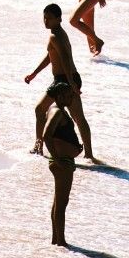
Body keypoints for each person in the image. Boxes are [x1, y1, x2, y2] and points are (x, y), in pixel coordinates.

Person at [25, 3, 96, 160]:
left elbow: (64, 58)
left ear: (59, 19)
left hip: (65, 80)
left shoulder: (54, 35)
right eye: (44, 17)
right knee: (78, 117)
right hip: (67, 79)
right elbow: (51, 55)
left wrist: (70, 83)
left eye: (50, 18)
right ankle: (89, 154)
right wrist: (34, 73)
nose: (46, 20)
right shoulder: (58, 33)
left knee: (41, 109)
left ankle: (39, 146)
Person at [43, 89, 81, 247]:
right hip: (62, 161)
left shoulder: (54, 109)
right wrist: (57, 158)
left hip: (63, 160)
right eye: (68, 95)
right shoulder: (58, 112)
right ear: (59, 96)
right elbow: (47, 134)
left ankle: (56, 238)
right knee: (61, 203)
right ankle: (61, 240)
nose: (71, 98)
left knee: (58, 202)